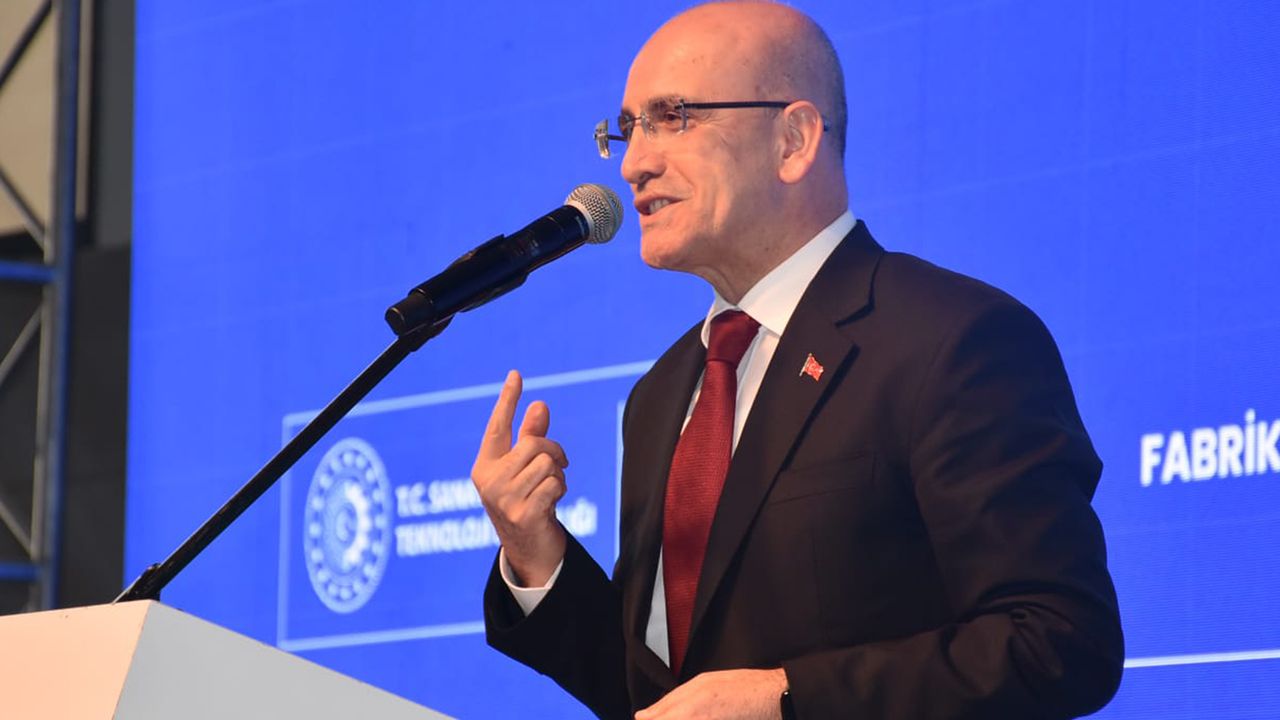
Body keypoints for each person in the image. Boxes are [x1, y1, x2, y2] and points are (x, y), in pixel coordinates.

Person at [470, 2, 1124, 718]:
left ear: (794, 140)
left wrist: (786, 698)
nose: (634, 163)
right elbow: (656, 694)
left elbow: (1056, 643)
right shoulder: (663, 394)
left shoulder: (953, 342)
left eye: (673, 117)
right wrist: (536, 554)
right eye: (627, 128)